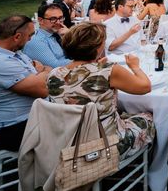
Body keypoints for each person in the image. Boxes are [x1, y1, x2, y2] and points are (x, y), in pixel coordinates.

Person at [48, 22, 155, 158]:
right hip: (106, 145)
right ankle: (154, 167)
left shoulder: (54, 74)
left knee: (124, 114)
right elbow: (145, 87)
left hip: (67, 142)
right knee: (148, 117)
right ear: (98, 47)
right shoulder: (109, 70)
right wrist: (135, 66)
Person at [0, 15, 50, 151]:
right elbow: (43, 90)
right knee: (80, 118)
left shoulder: (11, 52)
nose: (31, 39)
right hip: (16, 129)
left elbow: (41, 70)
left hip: (30, 118)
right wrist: (44, 72)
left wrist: (41, 73)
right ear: (17, 37)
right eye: (30, 35)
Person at [23, 4, 70, 68]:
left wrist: (70, 35)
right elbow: (54, 66)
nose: (58, 22)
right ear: (40, 20)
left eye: (60, 18)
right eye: (53, 19)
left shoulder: (57, 34)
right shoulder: (36, 41)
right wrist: (82, 59)